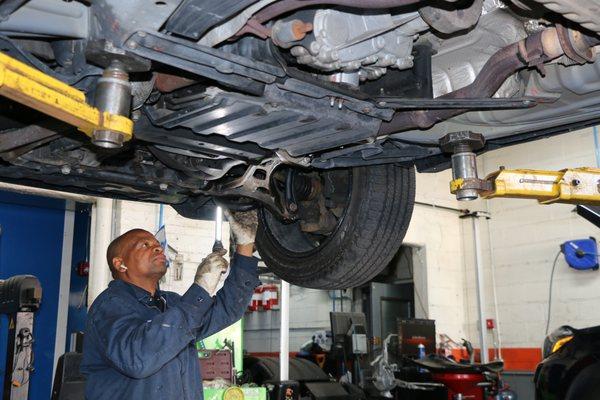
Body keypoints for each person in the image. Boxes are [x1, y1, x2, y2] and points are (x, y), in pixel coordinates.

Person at [80, 209, 260, 400]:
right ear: (120, 264)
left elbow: (228, 309)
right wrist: (201, 289)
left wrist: (245, 245)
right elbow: (138, 359)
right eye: (144, 245)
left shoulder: (171, 303)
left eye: (158, 245)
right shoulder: (109, 306)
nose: (158, 248)